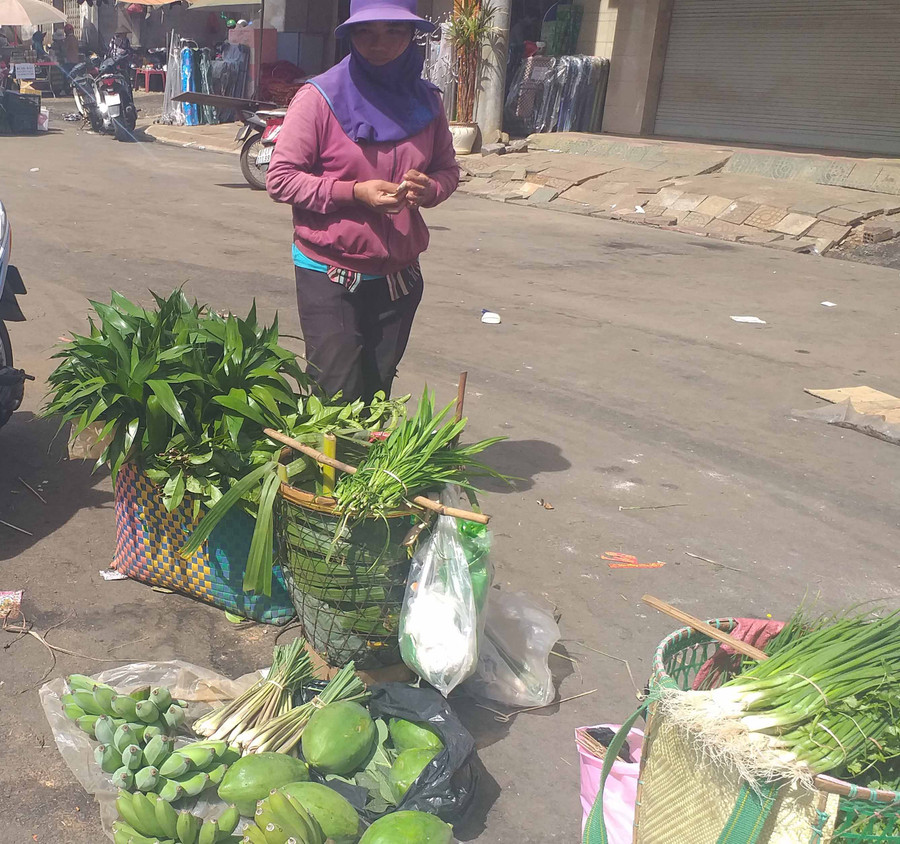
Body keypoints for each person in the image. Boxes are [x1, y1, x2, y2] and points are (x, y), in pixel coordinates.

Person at [266, 0, 459, 403]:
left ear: (411, 37)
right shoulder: (318, 98)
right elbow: (281, 179)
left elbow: (447, 169)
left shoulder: (427, 101)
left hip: (399, 276)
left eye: (394, 32)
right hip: (330, 271)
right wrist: (354, 192)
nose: (380, 44)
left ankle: (364, 465)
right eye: (366, 32)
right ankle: (325, 466)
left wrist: (431, 189)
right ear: (351, 35)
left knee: (376, 389)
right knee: (334, 392)